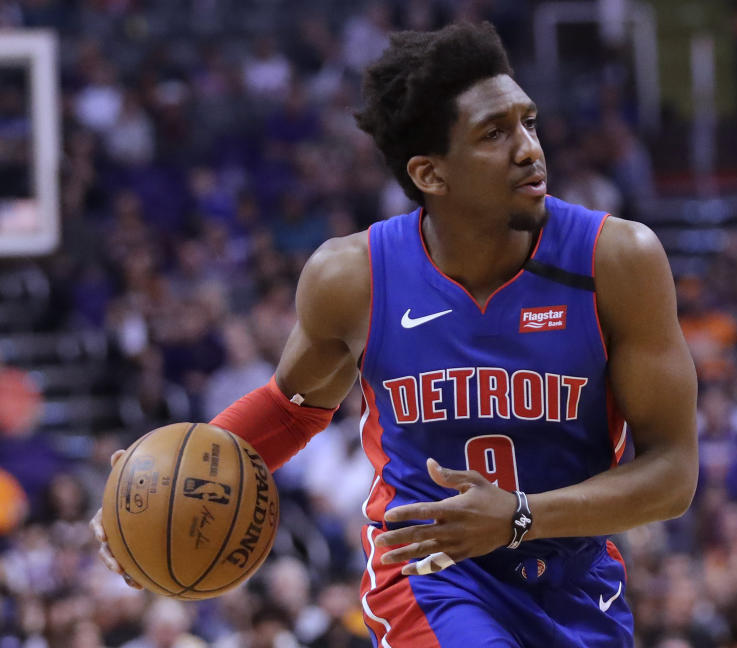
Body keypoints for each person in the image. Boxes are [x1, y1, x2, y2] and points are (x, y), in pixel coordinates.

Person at [91, 22, 698, 648]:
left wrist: (520, 517)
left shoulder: (617, 260)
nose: (529, 149)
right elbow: (290, 410)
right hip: (428, 576)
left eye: (529, 122)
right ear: (431, 175)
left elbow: (674, 473)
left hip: (574, 581)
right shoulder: (353, 276)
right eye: (495, 133)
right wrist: (160, 482)